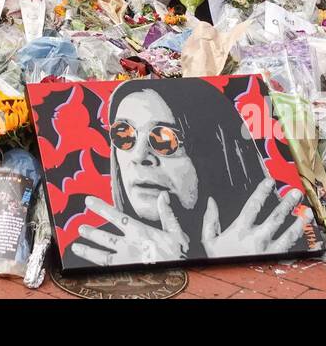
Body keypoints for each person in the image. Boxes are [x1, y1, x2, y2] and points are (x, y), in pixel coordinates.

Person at [68, 78, 306, 267]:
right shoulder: (93, 251)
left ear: (216, 153)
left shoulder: (278, 240)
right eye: (123, 134)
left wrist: (228, 262)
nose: (140, 157)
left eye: (164, 139)